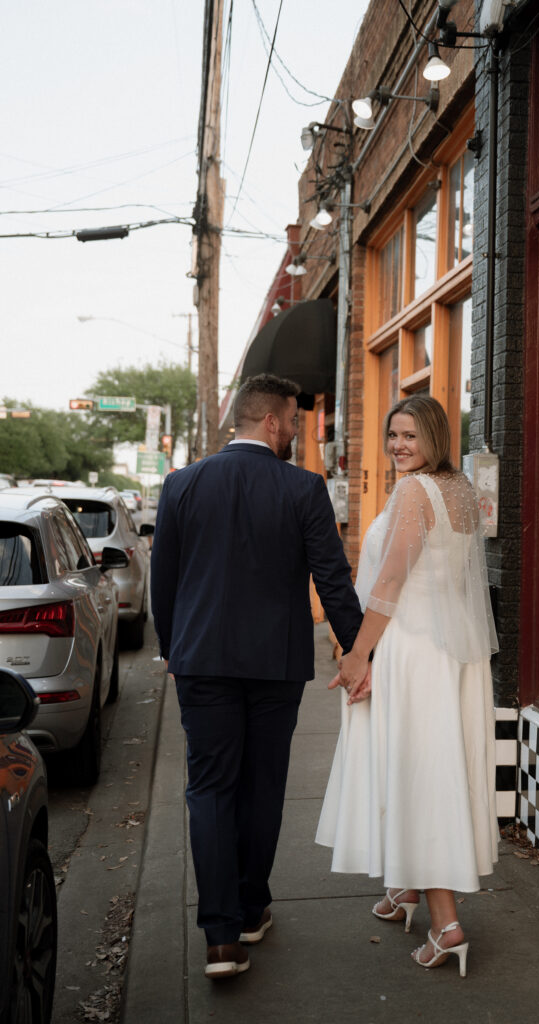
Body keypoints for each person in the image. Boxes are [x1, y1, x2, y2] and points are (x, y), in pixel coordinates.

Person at [151, 373, 364, 980]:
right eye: (295, 420)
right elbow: (332, 578)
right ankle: (250, 910)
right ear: (272, 422)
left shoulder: (181, 485)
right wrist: (358, 652)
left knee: (211, 787)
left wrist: (174, 650)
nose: (297, 431)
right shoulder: (303, 488)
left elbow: (162, 581)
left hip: (202, 662)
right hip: (275, 666)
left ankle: (220, 936)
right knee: (263, 784)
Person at [316, 394, 499, 975]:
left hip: (413, 654)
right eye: (393, 435)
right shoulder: (463, 491)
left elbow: (392, 578)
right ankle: (408, 890)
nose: (398, 446)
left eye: (410, 437)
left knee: (420, 776)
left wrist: (357, 654)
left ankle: (447, 926)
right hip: (452, 657)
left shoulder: (414, 491)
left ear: (434, 440)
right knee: (432, 768)